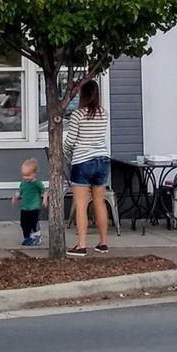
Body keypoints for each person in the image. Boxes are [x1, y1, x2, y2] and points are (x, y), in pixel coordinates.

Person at [63, 80, 110, 257]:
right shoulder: (103, 114)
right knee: (99, 202)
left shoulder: (77, 115)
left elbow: (70, 141)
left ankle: (81, 245)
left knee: (81, 205)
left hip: (83, 161)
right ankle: (103, 243)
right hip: (102, 160)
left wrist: (65, 152)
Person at [12, 157, 47, 247]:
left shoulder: (37, 183)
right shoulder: (23, 183)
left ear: (34, 174)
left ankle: (36, 237)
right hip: (25, 207)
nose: (26, 178)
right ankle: (27, 237)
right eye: (24, 175)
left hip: (34, 207)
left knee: (34, 223)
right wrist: (16, 196)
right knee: (24, 223)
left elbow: (44, 191)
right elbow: (20, 191)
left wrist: (45, 199)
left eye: (28, 175)